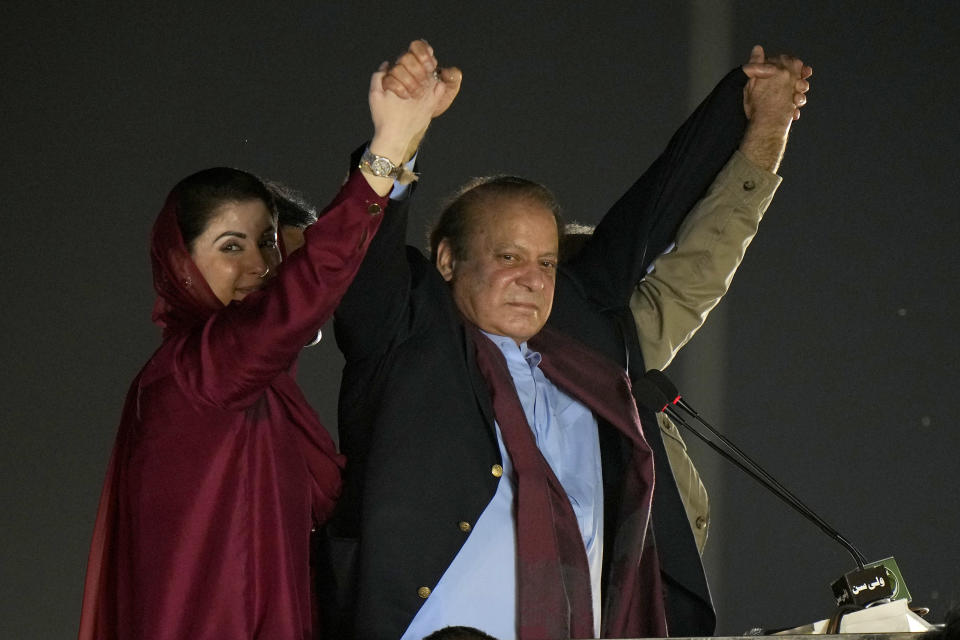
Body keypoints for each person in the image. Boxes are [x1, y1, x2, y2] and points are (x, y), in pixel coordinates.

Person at [324, 43, 809, 639]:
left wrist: (745, 102)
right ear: (447, 260)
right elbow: (359, 260)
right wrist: (395, 141)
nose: (532, 277)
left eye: (547, 262)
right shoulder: (408, 336)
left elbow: (655, 206)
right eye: (508, 257)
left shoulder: (587, 344)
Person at [77, 50, 451, 640]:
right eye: (231, 247)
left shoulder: (263, 394)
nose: (262, 265)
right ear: (181, 265)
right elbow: (312, 280)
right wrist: (389, 146)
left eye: (268, 244)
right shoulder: (193, 373)